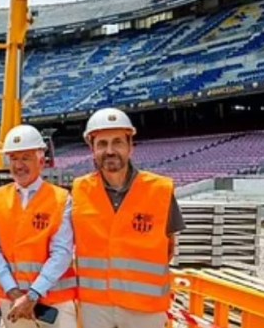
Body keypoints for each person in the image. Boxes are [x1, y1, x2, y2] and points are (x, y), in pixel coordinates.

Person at [72, 108, 185, 328]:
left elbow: (169, 247)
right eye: (102, 144)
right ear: (92, 148)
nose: (110, 150)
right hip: (95, 306)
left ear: (130, 146)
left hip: (146, 309)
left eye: (117, 142)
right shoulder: (79, 190)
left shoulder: (160, 190)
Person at [0, 125, 77, 328]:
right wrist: (14, 291)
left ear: (41, 161)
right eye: (14, 158)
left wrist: (33, 294)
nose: (19, 165)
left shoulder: (61, 199)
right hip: (13, 300)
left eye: (26, 158)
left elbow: (62, 252)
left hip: (55, 301)